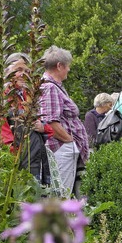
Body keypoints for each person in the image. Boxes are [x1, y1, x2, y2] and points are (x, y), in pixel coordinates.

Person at [39, 46, 89, 197]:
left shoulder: (55, 87)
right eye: (67, 66)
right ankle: (60, 220)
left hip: (64, 149)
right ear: (59, 66)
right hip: (61, 149)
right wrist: (69, 140)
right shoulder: (50, 87)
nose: (69, 70)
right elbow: (51, 122)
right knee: (61, 194)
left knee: (64, 192)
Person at [1, 52, 52, 185]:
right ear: (6, 71)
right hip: (17, 163)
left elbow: (47, 128)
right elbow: (0, 132)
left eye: (27, 71)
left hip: (36, 159)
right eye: (18, 70)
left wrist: (42, 127)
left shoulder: (26, 96)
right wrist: (13, 156)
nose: (24, 74)